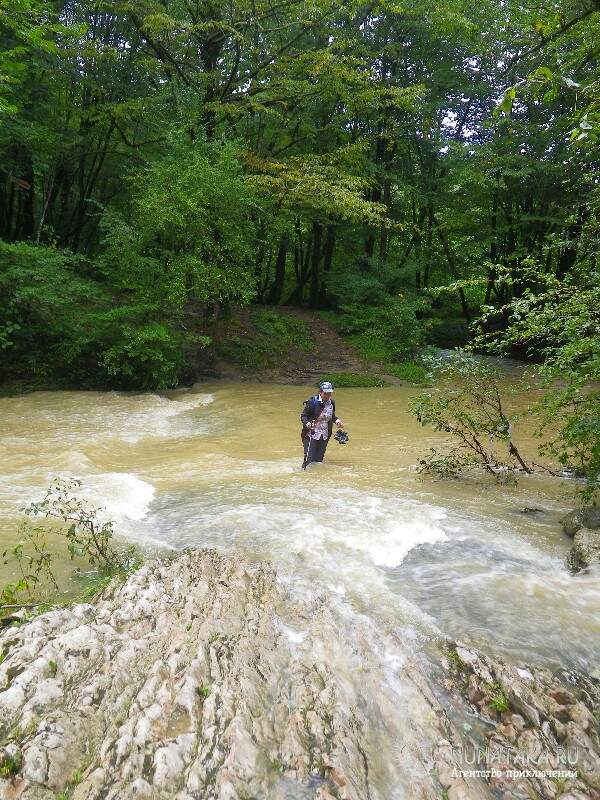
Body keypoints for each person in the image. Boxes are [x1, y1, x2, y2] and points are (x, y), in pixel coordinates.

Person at [301, 381, 344, 468]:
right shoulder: (312, 402)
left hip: (324, 434)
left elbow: (332, 416)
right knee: (308, 460)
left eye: (330, 394)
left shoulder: (332, 403)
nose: (328, 396)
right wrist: (308, 424)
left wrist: (337, 421)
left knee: (318, 460)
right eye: (326, 393)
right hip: (311, 434)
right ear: (320, 392)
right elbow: (303, 416)